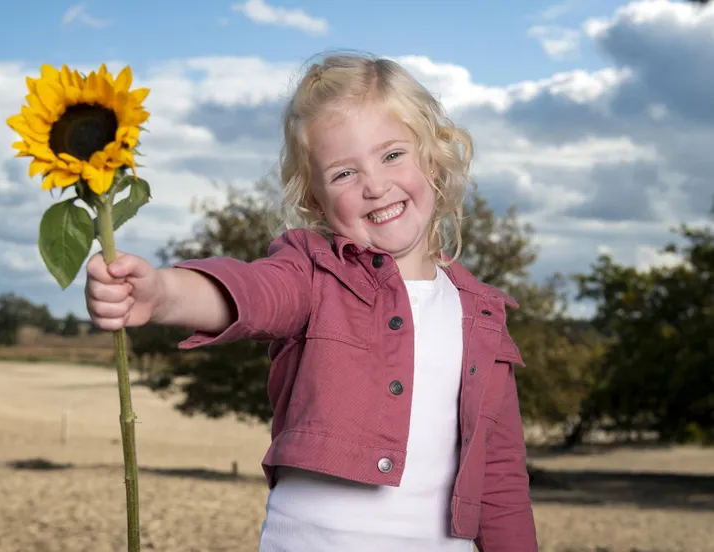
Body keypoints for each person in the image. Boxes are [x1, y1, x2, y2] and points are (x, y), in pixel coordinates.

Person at [85, 52, 538, 552]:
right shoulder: (313, 271)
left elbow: (500, 482)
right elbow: (254, 293)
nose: (375, 185)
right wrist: (163, 293)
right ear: (316, 200)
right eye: (344, 174)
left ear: (433, 156)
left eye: (392, 155)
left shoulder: (483, 317)